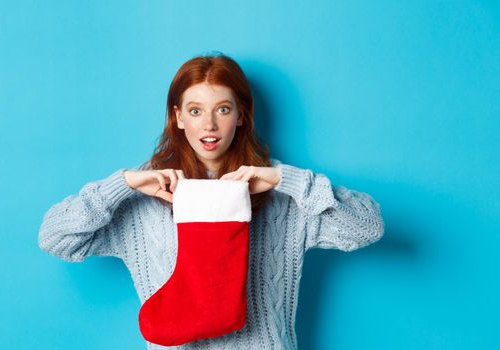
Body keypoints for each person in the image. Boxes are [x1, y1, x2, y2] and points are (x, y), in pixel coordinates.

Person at [38, 52, 385, 350]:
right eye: (195, 110)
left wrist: (286, 179)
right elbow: (55, 238)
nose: (209, 124)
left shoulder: (282, 193)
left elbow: (367, 227)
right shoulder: (145, 196)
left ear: (241, 115)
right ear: (178, 117)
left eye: (222, 109)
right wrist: (123, 184)